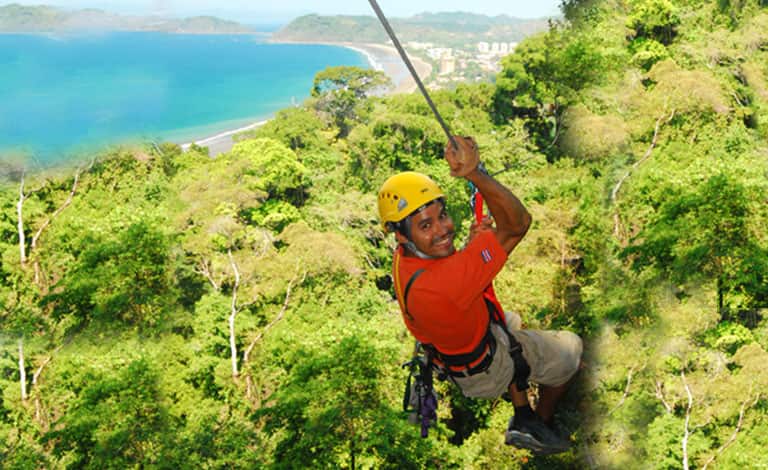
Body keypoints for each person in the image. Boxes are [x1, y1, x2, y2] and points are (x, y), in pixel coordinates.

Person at [377, 136, 583, 455]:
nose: (443, 230)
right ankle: (537, 424)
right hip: (485, 368)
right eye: (426, 226)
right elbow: (517, 225)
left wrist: (474, 250)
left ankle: (521, 409)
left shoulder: (405, 260)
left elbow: (455, 273)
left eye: (442, 216)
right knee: (571, 349)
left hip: (458, 349)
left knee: (511, 320)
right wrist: (475, 174)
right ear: (402, 234)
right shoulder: (448, 283)